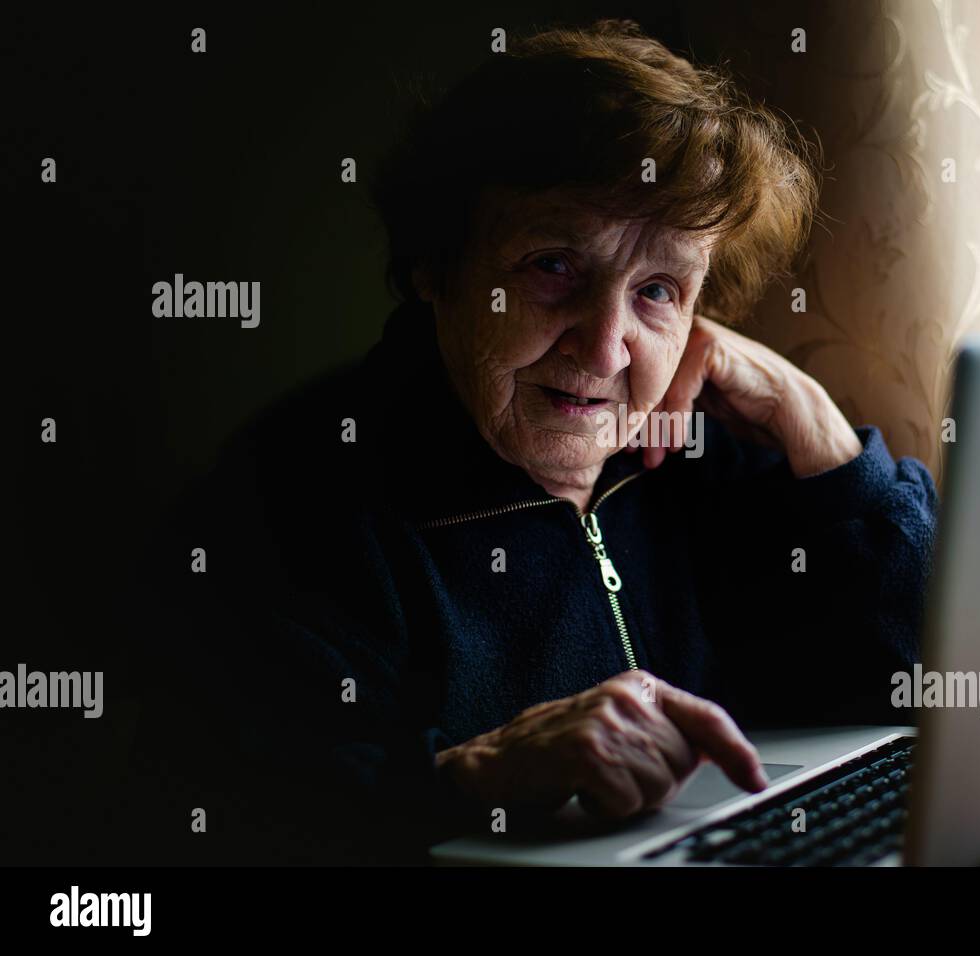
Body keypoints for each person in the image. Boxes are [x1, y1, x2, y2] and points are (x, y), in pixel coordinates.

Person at [132, 19, 938, 865]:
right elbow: (210, 812)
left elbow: (924, 684)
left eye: (658, 290)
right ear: (434, 269)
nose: (603, 348)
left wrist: (810, 418)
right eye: (553, 265)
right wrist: (469, 777)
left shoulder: (704, 451)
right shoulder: (291, 503)